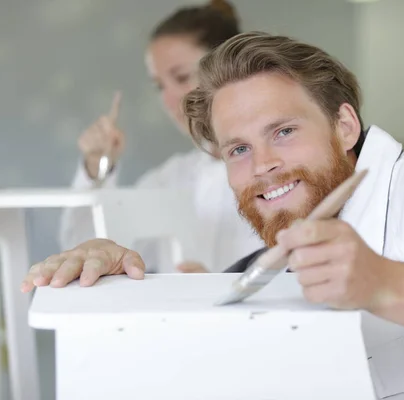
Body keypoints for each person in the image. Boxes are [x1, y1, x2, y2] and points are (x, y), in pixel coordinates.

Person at [24, 32, 404, 398]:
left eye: (283, 131)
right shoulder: (276, 256)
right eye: (237, 150)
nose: (263, 166)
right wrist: (124, 287)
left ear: (345, 127)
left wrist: (386, 286)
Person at [59, 0, 263, 272]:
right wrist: (98, 167)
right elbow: (83, 251)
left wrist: (215, 289)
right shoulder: (169, 180)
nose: (169, 100)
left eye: (181, 78)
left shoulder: (277, 172)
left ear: (229, 69)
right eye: (159, 86)